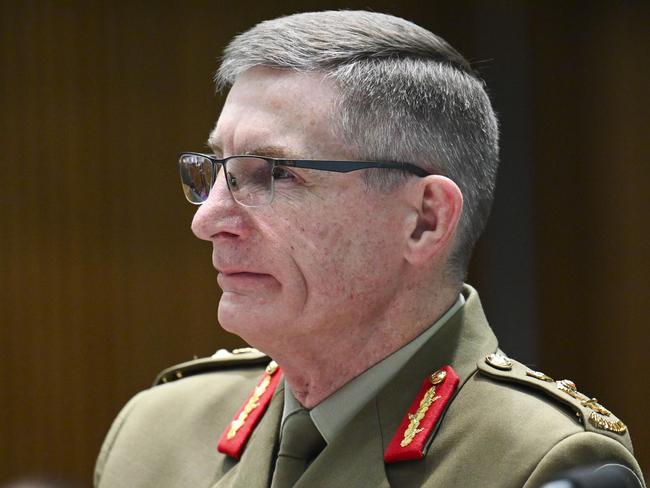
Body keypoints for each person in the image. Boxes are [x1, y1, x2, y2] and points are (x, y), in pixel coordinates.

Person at [94, 10, 645, 488]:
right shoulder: (154, 434)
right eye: (215, 171)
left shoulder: (538, 465)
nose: (208, 221)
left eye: (273, 174)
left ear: (424, 220)